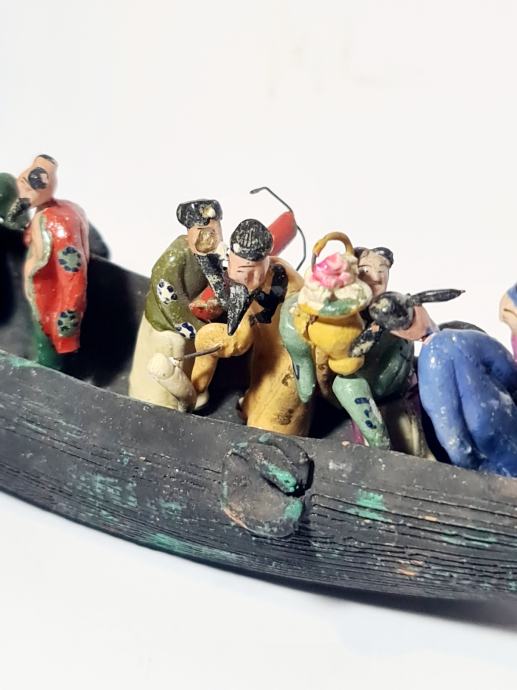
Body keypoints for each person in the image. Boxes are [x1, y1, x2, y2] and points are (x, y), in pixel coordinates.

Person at [191, 219, 310, 435]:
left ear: (265, 262)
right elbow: (242, 334)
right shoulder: (243, 282)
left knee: (269, 427)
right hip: (266, 350)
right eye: (236, 268)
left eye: (249, 271)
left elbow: (244, 336)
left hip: (293, 362)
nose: (241, 278)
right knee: (256, 391)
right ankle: (201, 392)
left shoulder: (283, 283)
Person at [129, 199, 225, 409]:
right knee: (173, 351)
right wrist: (193, 327)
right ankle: (164, 402)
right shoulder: (176, 257)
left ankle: (194, 390)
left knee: (194, 355)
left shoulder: (211, 255)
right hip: (168, 323)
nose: (211, 236)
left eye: (215, 229)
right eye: (204, 231)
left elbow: (217, 283)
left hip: (196, 317)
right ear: (191, 231)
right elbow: (167, 294)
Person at [17, 155, 89, 368]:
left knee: (46, 341)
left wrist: (67, 314)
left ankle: (46, 371)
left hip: (51, 301)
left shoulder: (57, 224)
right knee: (40, 333)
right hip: (39, 294)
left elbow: (73, 272)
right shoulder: (42, 213)